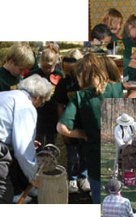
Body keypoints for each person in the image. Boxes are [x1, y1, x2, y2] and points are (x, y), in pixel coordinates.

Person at [56, 53, 124, 204]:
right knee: (118, 192)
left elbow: (61, 127)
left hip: (94, 154)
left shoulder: (79, 96)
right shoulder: (117, 88)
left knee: (98, 198)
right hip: (118, 149)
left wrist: (80, 133)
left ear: (82, 75)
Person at [0, 74, 53, 203]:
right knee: (4, 193)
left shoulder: (6, 95)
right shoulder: (26, 106)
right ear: (38, 97)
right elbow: (23, 150)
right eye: (43, 101)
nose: (41, 105)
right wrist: (34, 176)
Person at [53, 49, 90, 194]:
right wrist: (63, 127)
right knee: (72, 153)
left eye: (72, 71)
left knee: (85, 152)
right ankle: (72, 178)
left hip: (85, 123)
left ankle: (83, 176)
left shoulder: (86, 81)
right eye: (66, 70)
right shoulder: (63, 83)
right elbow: (60, 105)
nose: (70, 74)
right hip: (71, 125)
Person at [27, 44, 64, 145]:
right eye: (44, 67)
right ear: (40, 62)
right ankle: (37, 152)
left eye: (50, 67)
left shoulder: (59, 75)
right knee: (37, 136)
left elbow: (61, 94)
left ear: (56, 63)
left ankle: (49, 151)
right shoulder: (33, 75)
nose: (47, 70)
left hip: (52, 111)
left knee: (51, 136)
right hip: (36, 111)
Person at [122, 14, 136, 81]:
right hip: (126, 77)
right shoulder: (122, 42)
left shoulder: (134, 42)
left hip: (135, 77)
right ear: (129, 27)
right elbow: (127, 61)